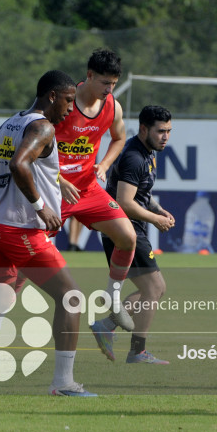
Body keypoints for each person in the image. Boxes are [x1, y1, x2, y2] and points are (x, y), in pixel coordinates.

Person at [0, 69, 96, 397]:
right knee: (71, 298)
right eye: (68, 100)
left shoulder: (13, 122)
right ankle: (63, 383)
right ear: (52, 96)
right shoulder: (43, 127)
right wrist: (41, 207)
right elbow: (19, 165)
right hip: (22, 228)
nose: (71, 108)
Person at [55, 48, 136, 331]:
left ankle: (113, 298)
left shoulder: (113, 106)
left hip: (88, 189)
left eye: (113, 83)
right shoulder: (62, 102)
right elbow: (34, 145)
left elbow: (119, 138)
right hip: (54, 190)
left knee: (127, 237)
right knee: (26, 265)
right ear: (89, 75)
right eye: (104, 82)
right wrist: (57, 178)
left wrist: (104, 165)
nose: (109, 89)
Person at [90, 105, 175, 364]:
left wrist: (158, 209)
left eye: (168, 131)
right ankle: (137, 351)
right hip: (125, 230)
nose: (165, 137)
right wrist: (156, 219)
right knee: (155, 288)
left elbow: (140, 194)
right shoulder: (134, 157)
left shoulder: (147, 152)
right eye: (160, 131)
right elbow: (124, 202)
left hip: (127, 228)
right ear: (143, 129)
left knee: (153, 289)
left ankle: (106, 326)